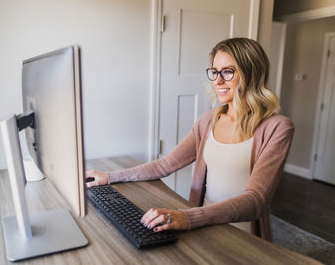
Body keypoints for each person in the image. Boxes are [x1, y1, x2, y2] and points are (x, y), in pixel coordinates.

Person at [85, 37, 294, 241]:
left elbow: (255, 200)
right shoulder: (207, 120)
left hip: (241, 234)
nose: (218, 81)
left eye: (228, 72)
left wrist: (187, 217)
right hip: (201, 226)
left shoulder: (277, 127)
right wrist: (110, 177)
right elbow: (166, 164)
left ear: (252, 74)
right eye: (214, 72)